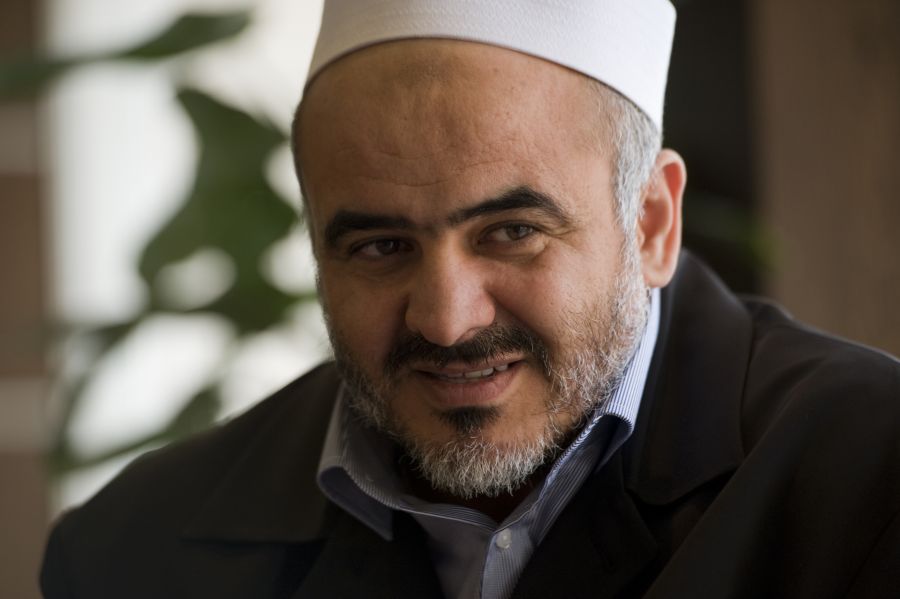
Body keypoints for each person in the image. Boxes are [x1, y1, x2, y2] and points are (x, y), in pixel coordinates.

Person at [41, 1, 900, 597]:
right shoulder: (134, 551)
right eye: (381, 247)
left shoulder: (869, 478)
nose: (447, 320)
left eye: (512, 231)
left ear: (650, 223)